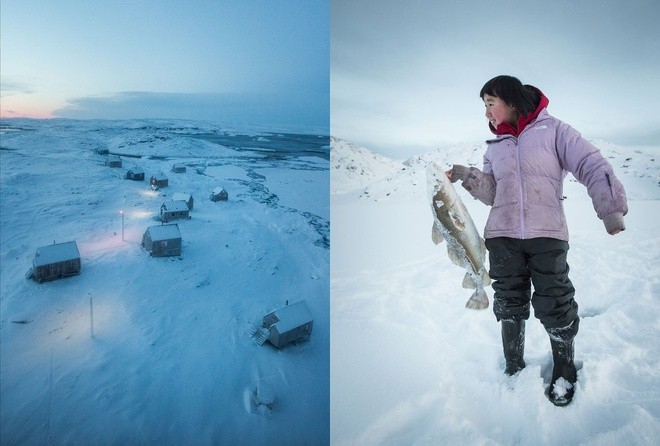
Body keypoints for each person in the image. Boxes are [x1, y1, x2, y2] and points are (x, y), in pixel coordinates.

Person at [446, 75, 627, 406]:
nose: (486, 112)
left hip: (547, 234)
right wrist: (466, 175)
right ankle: (514, 366)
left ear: (511, 101)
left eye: (490, 103)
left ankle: (564, 367)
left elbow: (590, 163)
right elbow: (493, 193)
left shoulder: (555, 131)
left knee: (555, 300)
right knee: (509, 300)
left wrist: (611, 210)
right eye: (483, 106)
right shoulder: (495, 146)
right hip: (501, 236)